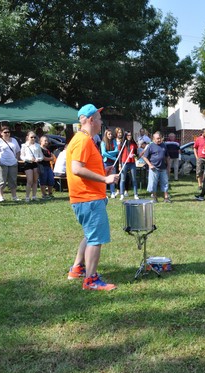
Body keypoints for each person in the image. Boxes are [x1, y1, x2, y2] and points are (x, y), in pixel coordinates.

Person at [66, 104, 118, 290]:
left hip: (86, 198)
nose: (101, 122)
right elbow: (77, 169)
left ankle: (77, 269)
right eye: (99, 118)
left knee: (90, 236)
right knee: (95, 239)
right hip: (88, 198)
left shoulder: (83, 139)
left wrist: (103, 171)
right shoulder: (83, 140)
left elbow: (84, 167)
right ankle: (91, 280)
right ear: (91, 120)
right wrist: (105, 179)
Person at [142, 131, 171, 203]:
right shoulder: (150, 146)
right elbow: (144, 157)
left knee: (165, 183)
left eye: (160, 138)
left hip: (163, 168)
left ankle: (166, 198)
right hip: (154, 168)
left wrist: (168, 167)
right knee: (153, 184)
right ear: (154, 139)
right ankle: (154, 198)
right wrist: (150, 165)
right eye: (157, 138)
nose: (159, 140)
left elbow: (167, 157)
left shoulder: (164, 145)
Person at [0, 126, 21, 202]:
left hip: (13, 162)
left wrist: (17, 159)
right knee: (2, 179)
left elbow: (18, 150)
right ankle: (1, 196)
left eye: (8, 132)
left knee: (13, 180)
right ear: (1, 133)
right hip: (2, 162)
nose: (7, 133)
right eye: (5, 132)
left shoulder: (14, 140)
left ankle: (14, 196)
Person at [20, 131, 43, 202]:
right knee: (29, 180)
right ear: (27, 137)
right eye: (31, 137)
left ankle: (34, 196)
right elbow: (22, 156)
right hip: (28, 163)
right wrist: (29, 159)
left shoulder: (37, 145)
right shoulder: (24, 145)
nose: (33, 138)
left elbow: (41, 156)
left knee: (35, 181)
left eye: (34, 137)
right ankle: (27, 197)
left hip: (36, 164)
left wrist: (38, 159)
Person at [119, 131, 139, 200]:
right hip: (124, 162)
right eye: (128, 135)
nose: (129, 136)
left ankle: (136, 194)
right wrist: (119, 164)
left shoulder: (133, 143)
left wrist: (134, 155)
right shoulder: (122, 143)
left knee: (134, 179)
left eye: (130, 135)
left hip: (132, 163)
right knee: (123, 179)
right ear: (125, 136)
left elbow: (136, 153)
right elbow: (119, 155)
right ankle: (122, 194)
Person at [101, 129, 119, 198]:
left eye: (111, 134)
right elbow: (103, 153)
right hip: (106, 162)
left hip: (112, 163)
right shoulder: (103, 142)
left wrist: (108, 153)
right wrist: (113, 157)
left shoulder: (114, 141)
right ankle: (104, 193)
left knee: (113, 177)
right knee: (105, 177)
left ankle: (112, 192)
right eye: (109, 134)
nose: (110, 135)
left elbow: (116, 151)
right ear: (106, 135)